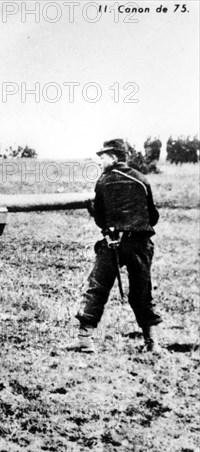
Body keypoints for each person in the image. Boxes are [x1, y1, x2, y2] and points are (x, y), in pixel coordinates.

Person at [66, 139, 161, 353]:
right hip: (140, 244)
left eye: (104, 158)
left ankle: (85, 339)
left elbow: (101, 219)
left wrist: (94, 212)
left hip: (113, 243)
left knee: (97, 288)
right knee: (141, 291)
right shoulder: (141, 180)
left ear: (115, 158)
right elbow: (152, 217)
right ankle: (151, 342)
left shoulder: (103, 182)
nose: (101, 162)